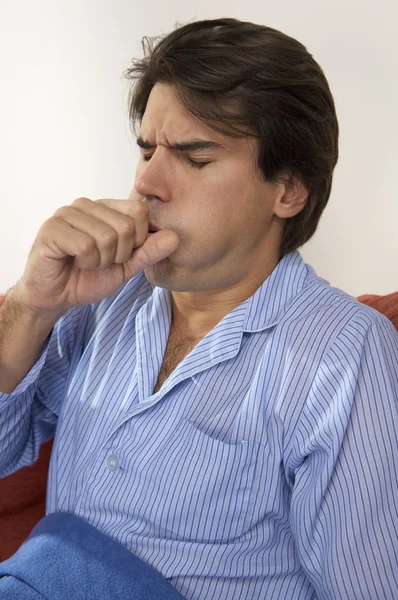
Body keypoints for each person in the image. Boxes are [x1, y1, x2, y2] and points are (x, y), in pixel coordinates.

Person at [0, 16, 397, 600]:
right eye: (146, 151)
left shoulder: (344, 353)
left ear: (288, 189)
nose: (146, 184)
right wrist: (29, 307)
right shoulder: (103, 296)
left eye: (194, 156)